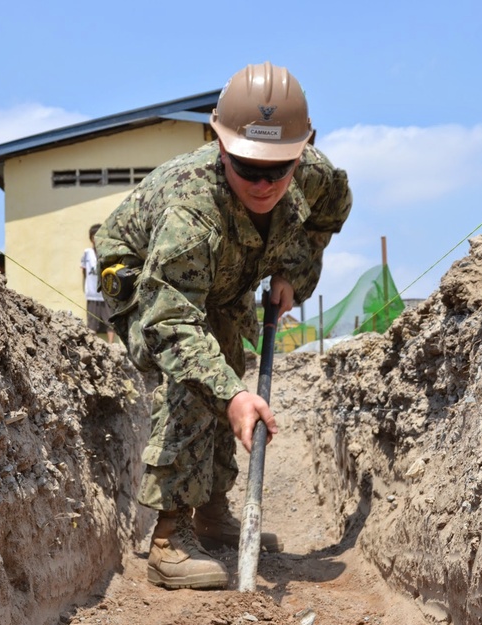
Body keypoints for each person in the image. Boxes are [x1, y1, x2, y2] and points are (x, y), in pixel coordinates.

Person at [96, 62, 352, 590]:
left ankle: (212, 515)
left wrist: (292, 271)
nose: (263, 184)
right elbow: (173, 324)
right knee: (199, 380)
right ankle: (168, 541)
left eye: (277, 170)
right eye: (246, 167)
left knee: (231, 368)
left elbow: (330, 211)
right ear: (219, 143)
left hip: (226, 275)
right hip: (150, 280)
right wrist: (231, 395)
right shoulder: (189, 212)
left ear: (303, 150)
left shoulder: (316, 176)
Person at [81, 224, 114, 343]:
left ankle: (111, 347)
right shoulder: (87, 253)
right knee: (92, 323)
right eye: (93, 237)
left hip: (106, 293)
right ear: (91, 238)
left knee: (110, 321)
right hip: (92, 292)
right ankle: (93, 345)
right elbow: (84, 270)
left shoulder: (107, 253)